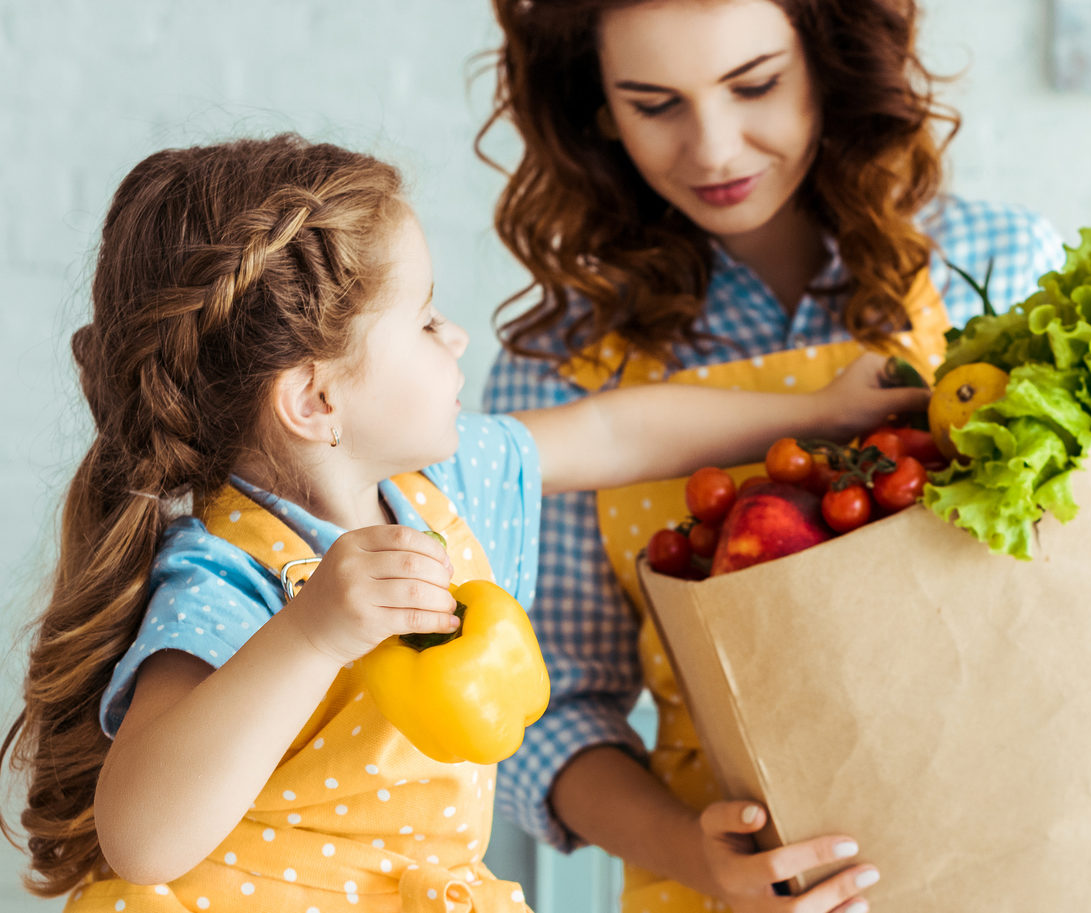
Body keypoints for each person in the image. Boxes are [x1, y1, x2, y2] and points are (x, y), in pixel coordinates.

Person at [479, 2, 1091, 911]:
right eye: (655, 103)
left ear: (828, 56)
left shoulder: (1002, 263)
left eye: (756, 85)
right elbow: (549, 710)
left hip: (1064, 842)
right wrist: (708, 865)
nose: (715, 148)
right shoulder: (560, 368)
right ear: (596, 106)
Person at [0, 134, 923, 913]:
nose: (459, 339)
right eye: (427, 319)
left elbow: (621, 427)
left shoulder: (448, 481)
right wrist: (312, 632)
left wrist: (814, 416)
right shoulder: (227, 574)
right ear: (317, 398)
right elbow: (144, 838)